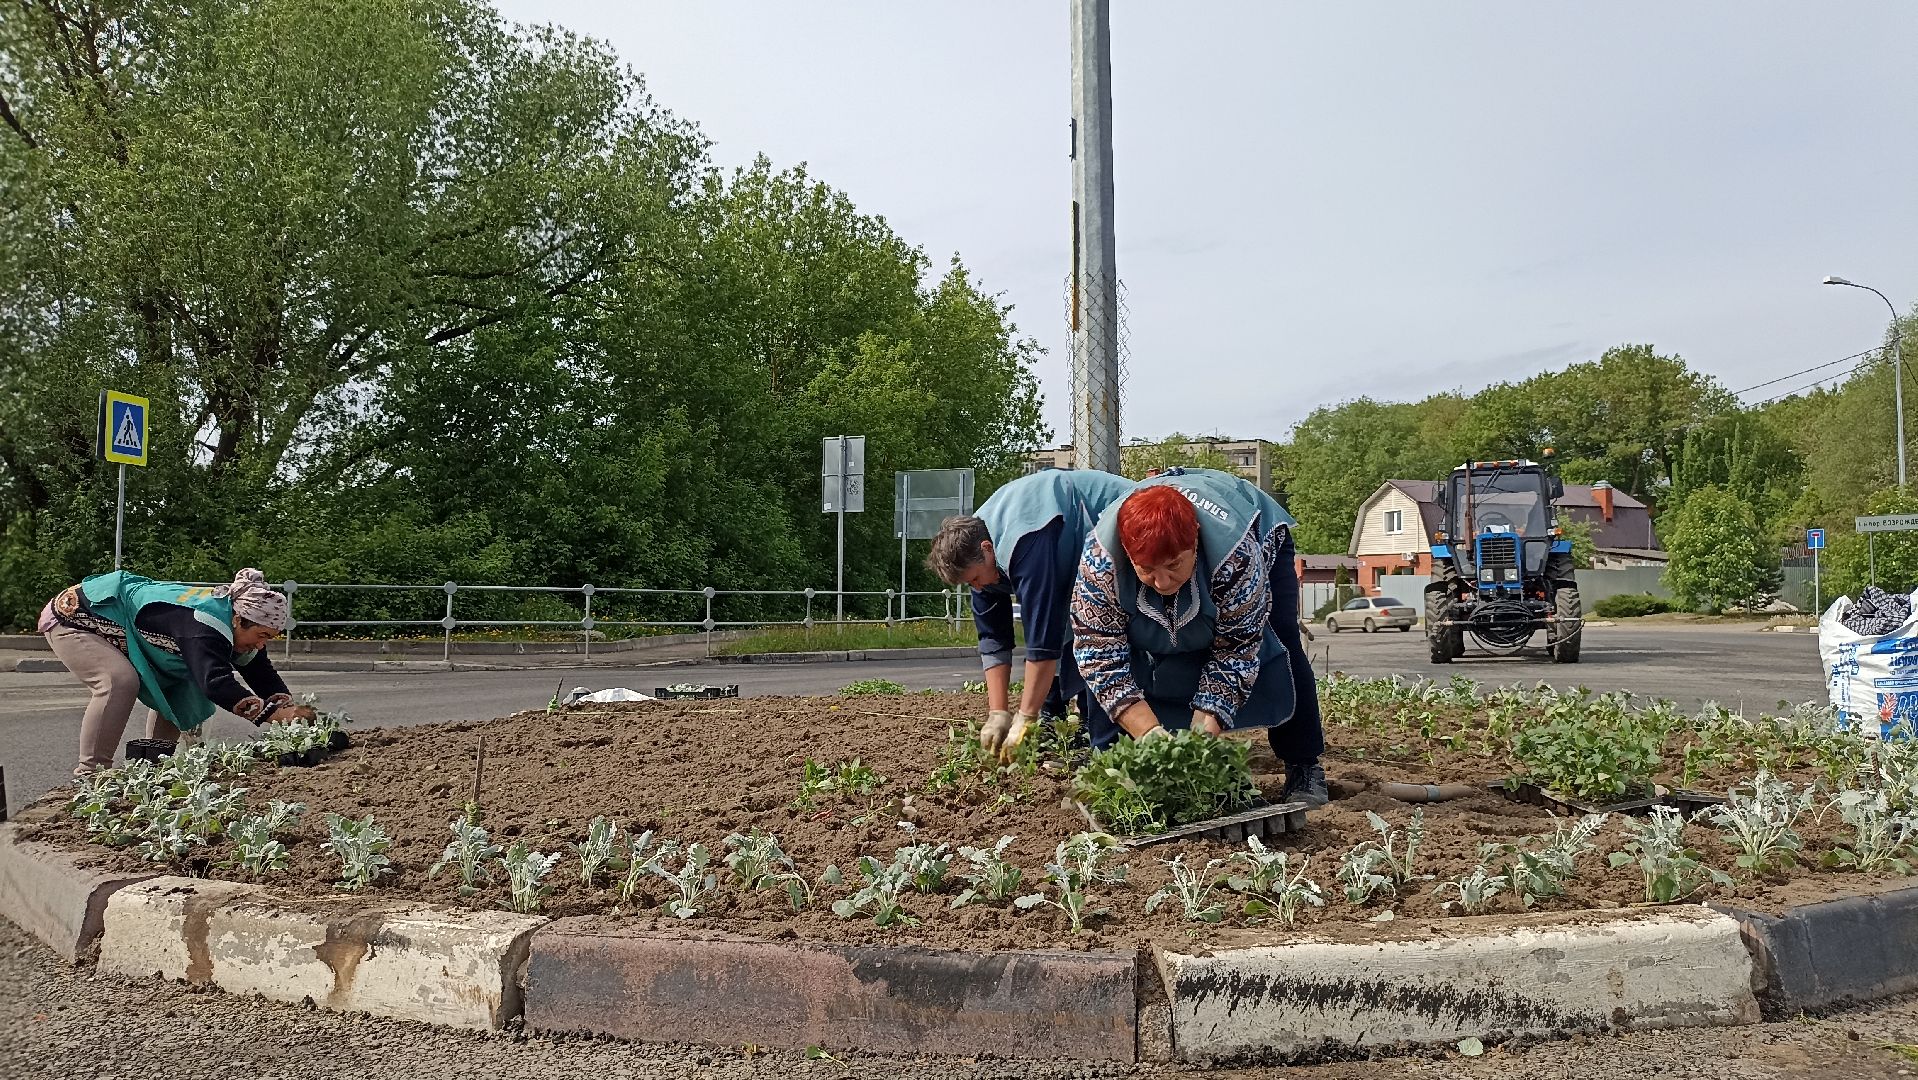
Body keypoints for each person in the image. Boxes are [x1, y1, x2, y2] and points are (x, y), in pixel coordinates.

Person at [1072, 467, 1328, 806]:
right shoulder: (1099, 565)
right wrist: (1149, 735)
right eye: (1146, 570)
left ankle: (1304, 765)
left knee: (1281, 642)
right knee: (1112, 657)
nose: (1161, 582)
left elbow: (1236, 651)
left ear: (1194, 542)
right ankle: (1109, 765)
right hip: (1144, 560)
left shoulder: (1236, 556)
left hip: (1253, 522)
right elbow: (1098, 655)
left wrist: (1197, 745)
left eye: (1174, 565)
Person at [927, 468, 1136, 760]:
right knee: (1062, 624)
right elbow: (993, 638)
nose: (976, 587)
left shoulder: (1025, 541)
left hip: (1121, 519)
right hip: (1069, 548)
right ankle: (1064, 722)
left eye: (974, 579)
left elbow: (1043, 638)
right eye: (968, 584)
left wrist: (1025, 717)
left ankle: (1104, 746)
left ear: (987, 550)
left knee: (1096, 636)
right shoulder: (973, 548)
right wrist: (998, 713)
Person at [40, 567, 313, 775]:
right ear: (239, 619)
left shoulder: (240, 620)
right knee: (118, 682)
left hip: (126, 623)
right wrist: (275, 715)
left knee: (180, 688)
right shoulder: (204, 626)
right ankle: (91, 775)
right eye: (261, 635)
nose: (262, 643)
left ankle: (153, 769)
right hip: (78, 618)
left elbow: (260, 671)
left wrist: (291, 710)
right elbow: (217, 684)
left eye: (270, 638)